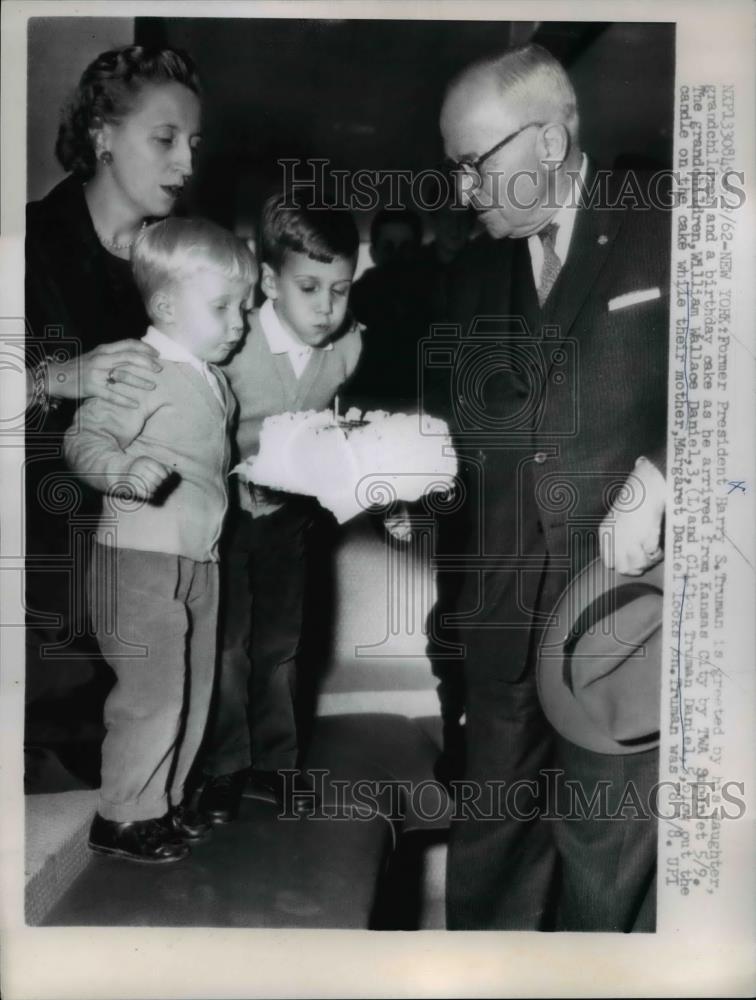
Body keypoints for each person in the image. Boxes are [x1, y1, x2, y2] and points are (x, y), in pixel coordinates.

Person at [435, 44, 669, 930]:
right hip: (501, 608)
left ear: (552, 137)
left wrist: (667, 477)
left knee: (602, 858)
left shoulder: (666, 217)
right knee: (492, 843)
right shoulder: (472, 272)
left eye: (473, 163)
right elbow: (479, 438)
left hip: (618, 613)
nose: (461, 191)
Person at [25, 45, 203, 784]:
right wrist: (61, 376)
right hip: (40, 576)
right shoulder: (26, 242)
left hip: (146, 565)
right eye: (166, 139)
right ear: (101, 132)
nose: (187, 162)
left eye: (195, 143)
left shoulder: (181, 266)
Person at [63, 217, 256, 863]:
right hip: (138, 555)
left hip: (199, 556)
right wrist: (119, 471)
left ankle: (164, 804)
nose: (241, 322)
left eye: (247, 307)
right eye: (225, 306)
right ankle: (120, 814)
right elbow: (84, 439)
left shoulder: (213, 380)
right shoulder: (141, 366)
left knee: (193, 686)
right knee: (150, 692)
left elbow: (203, 464)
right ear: (168, 305)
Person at [196, 191, 362, 823]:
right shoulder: (229, 346)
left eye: (340, 289)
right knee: (229, 648)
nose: (325, 308)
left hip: (290, 523)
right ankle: (224, 767)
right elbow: (198, 430)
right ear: (268, 281)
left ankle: (277, 766)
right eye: (309, 287)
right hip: (225, 519)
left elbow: (338, 435)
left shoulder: (348, 349)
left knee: (283, 648)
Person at [346, 208, 436, 411]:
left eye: (406, 247)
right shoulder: (351, 303)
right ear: (373, 252)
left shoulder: (435, 300)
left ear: (417, 252)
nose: (397, 257)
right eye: (388, 247)